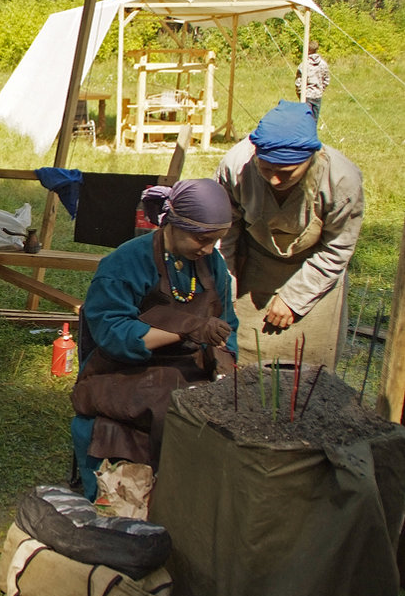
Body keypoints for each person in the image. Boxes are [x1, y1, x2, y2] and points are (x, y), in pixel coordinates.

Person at [70, 179, 238, 500]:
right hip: (122, 370)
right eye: (201, 239)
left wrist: (224, 349)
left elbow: (228, 321)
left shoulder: (210, 264)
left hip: (188, 370)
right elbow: (113, 334)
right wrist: (185, 329)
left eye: (216, 240)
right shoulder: (125, 263)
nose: (207, 249)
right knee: (167, 410)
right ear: (173, 224)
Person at [214, 99, 363, 369]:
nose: (273, 180)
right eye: (266, 168)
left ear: (310, 159)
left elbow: (337, 248)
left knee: (308, 372)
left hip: (316, 271)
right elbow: (224, 233)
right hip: (256, 265)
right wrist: (225, 288)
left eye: (286, 172)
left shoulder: (341, 180)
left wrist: (294, 299)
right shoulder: (236, 166)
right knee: (244, 364)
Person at [295, 40, 330, 120]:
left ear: (308, 50)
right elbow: (326, 79)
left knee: (305, 120)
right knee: (314, 120)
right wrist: (320, 89)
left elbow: (298, 82)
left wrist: (300, 93)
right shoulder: (323, 64)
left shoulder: (304, 64)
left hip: (306, 96)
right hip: (318, 95)